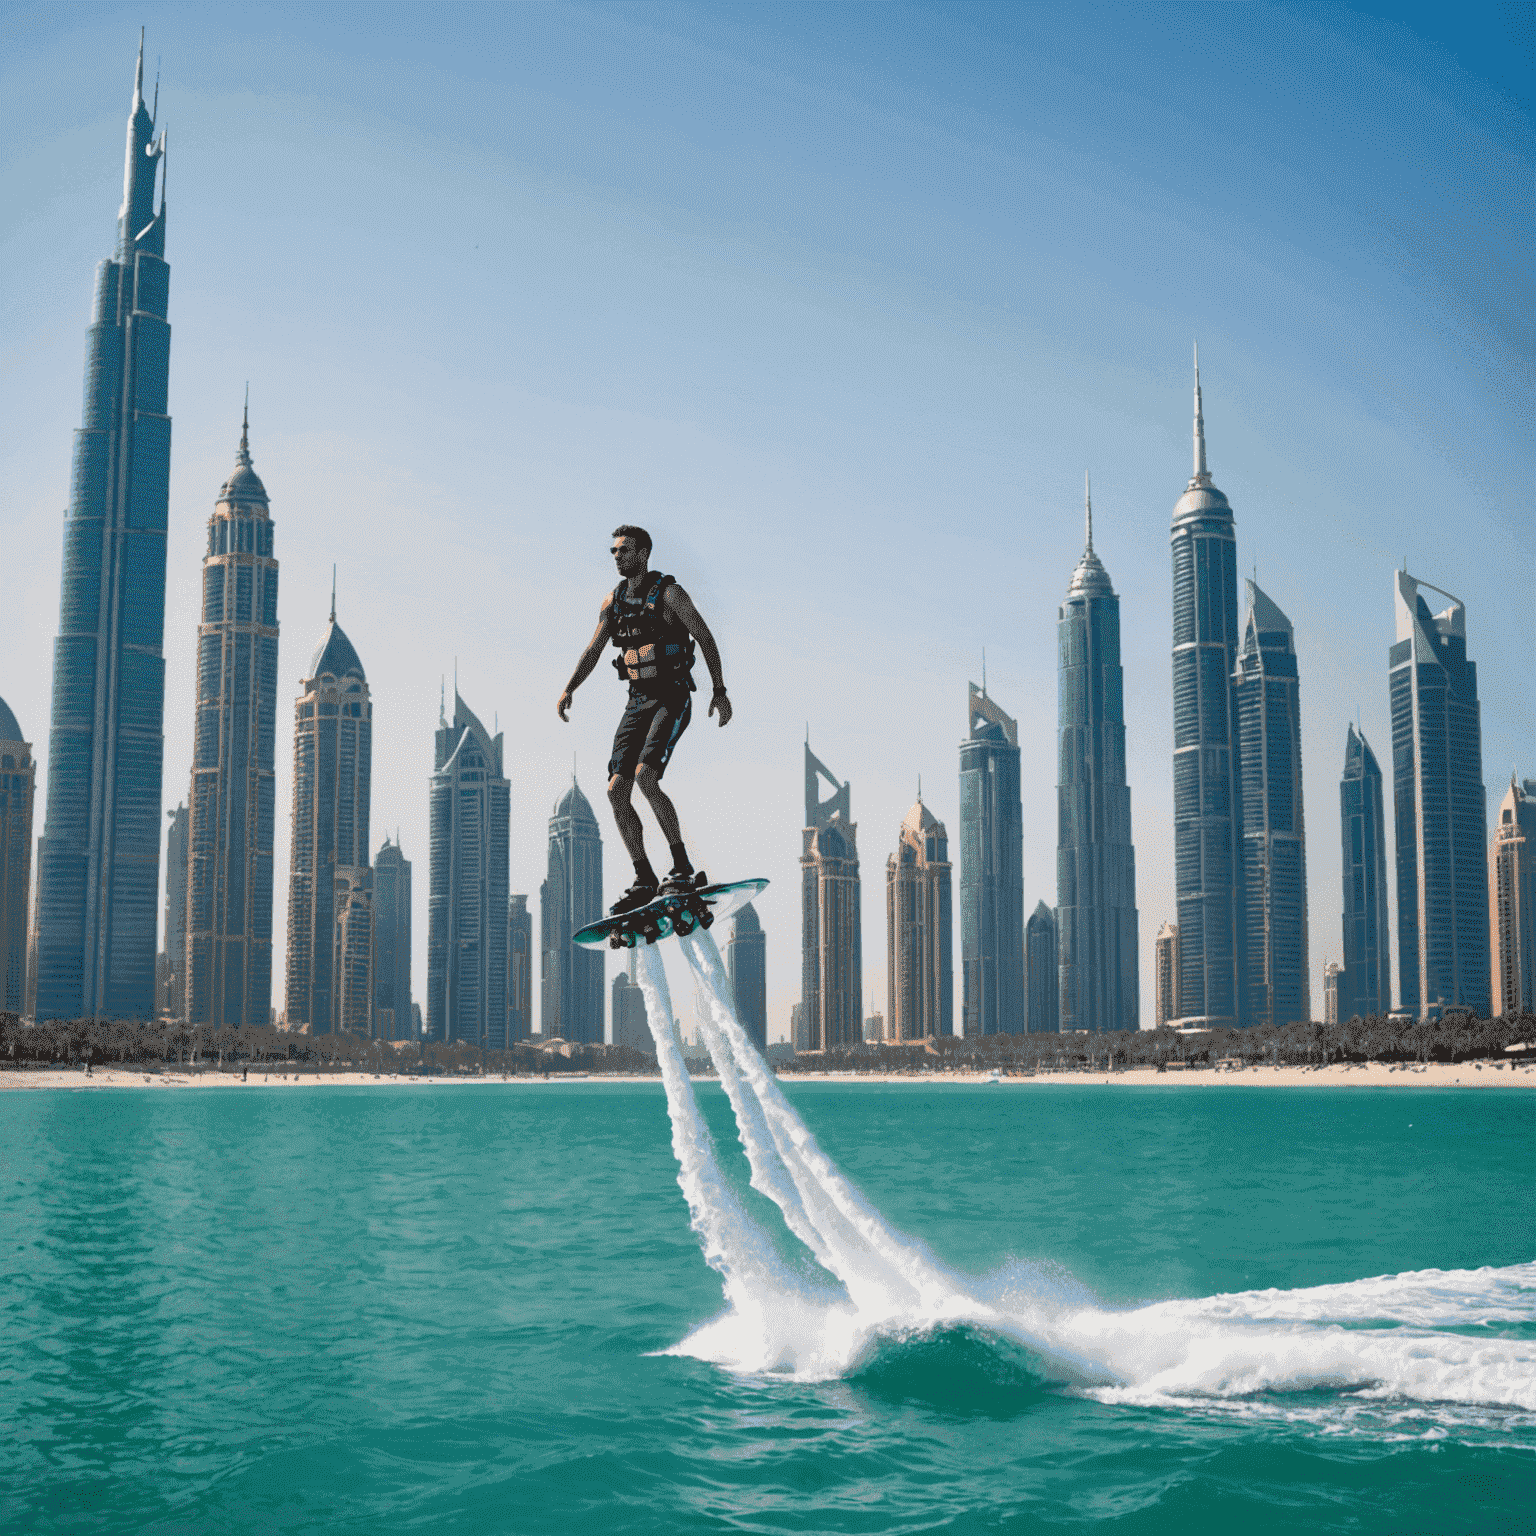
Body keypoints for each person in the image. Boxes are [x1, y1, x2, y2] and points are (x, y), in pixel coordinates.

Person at [558, 526, 732, 914]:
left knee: (646, 777)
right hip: (637, 702)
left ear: (645, 553)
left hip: (671, 697)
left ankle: (682, 867)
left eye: (624, 550)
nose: (617, 556)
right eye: (613, 551)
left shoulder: (669, 594)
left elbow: (704, 637)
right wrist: (570, 688)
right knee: (615, 790)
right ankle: (644, 877)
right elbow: (594, 648)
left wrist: (718, 691)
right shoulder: (613, 601)